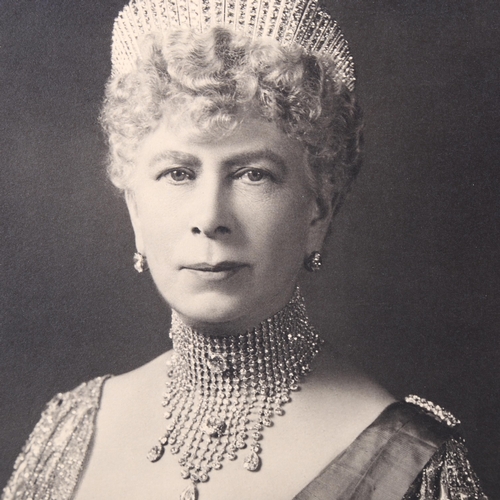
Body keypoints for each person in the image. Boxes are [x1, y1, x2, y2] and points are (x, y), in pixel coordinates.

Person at [1, 0, 488, 499]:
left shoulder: (409, 461)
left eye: (253, 174)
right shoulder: (72, 427)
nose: (210, 218)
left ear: (318, 211)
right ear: (135, 213)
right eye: (178, 173)